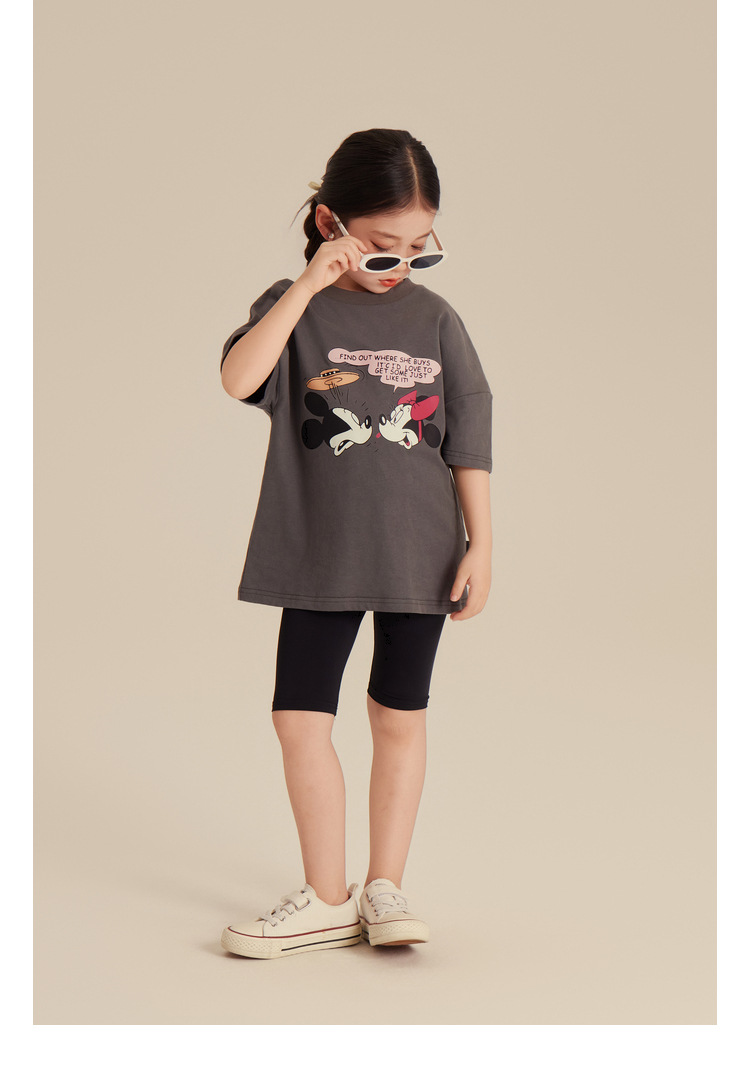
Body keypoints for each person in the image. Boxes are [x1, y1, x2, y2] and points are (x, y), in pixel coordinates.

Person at [218, 129, 493, 959]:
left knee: (397, 715)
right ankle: (328, 897)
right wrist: (310, 281)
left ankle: (385, 886)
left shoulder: (436, 319)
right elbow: (238, 378)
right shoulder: (293, 306)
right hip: (318, 553)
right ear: (330, 222)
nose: (400, 264)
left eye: (420, 247)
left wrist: (483, 542)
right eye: (381, 246)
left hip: (421, 553)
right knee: (300, 719)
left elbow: (469, 433)